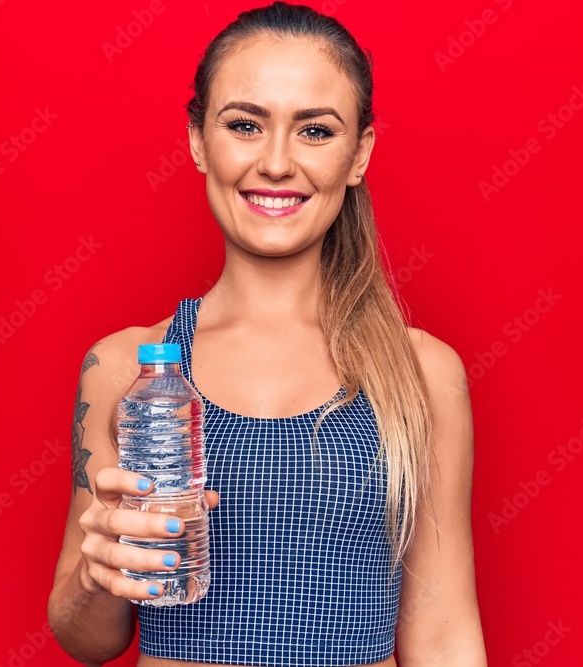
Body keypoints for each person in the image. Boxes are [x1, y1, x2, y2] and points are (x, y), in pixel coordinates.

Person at [47, 2, 487, 665]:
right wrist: (97, 572)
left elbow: (445, 634)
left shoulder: (423, 374)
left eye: (315, 130)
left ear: (360, 154)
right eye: (245, 125)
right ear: (199, 141)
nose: (277, 163)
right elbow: (86, 639)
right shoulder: (125, 369)